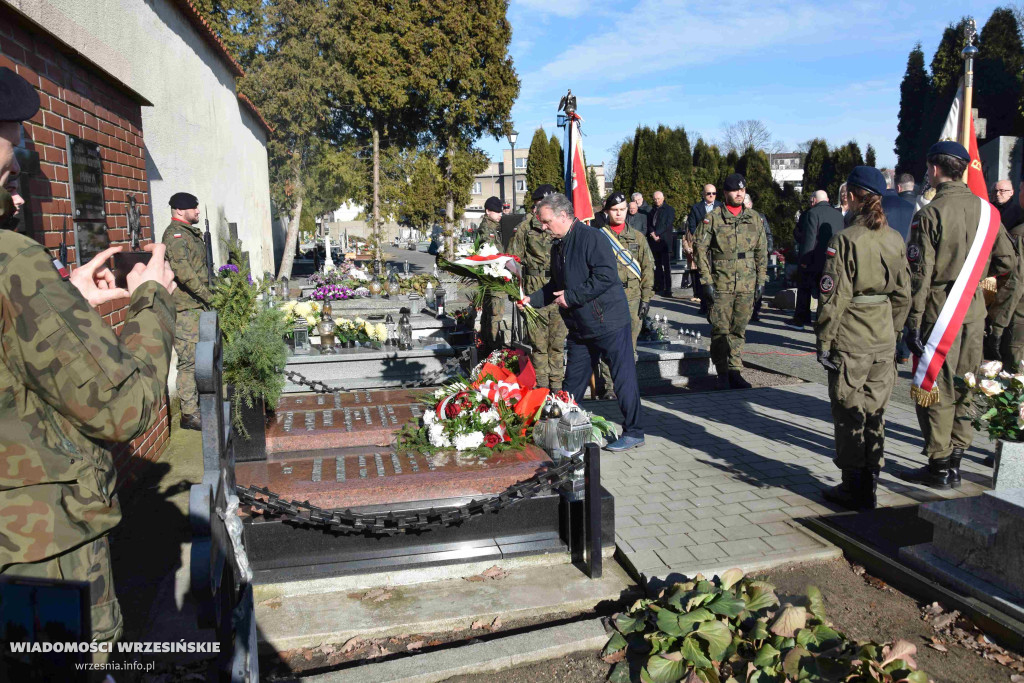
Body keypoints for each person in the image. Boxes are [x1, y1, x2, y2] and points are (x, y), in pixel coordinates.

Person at [0, 65, 179, 655]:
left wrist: (62, 300)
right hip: (38, 553)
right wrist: (152, 299)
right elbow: (122, 408)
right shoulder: (13, 263)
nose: (23, 146)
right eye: (13, 132)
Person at [902, 141, 1019, 489]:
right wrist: (983, 295)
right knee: (968, 386)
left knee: (936, 388)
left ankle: (938, 467)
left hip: (939, 312)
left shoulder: (930, 214)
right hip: (974, 312)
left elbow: (920, 276)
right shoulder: (989, 212)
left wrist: (912, 323)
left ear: (935, 169)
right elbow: (1008, 263)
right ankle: (956, 459)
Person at [815, 167, 911, 510]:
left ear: (852, 197)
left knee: (849, 410)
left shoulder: (845, 239)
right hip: (883, 335)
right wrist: (894, 331)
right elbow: (903, 296)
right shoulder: (895, 238)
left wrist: (824, 339)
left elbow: (833, 296)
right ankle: (870, 482)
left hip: (852, 336)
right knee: (875, 411)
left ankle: (852, 485)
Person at [517, 192, 644, 451]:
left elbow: (606, 276)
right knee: (572, 383)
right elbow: (556, 285)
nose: (543, 227)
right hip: (580, 327)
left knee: (623, 379)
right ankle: (562, 431)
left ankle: (634, 431)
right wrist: (531, 299)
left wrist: (571, 296)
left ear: (563, 216)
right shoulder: (558, 245)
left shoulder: (591, 237)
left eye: (546, 221)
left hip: (608, 322)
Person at [694, 173, 767, 389]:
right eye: (735, 190)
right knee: (720, 331)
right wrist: (706, 281)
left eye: (742, 190)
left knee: (739, 330)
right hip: (722, 284)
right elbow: (700, 248)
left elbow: (761, 251)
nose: (739, 193)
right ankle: (722, 372)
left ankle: (735, 370)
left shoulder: (754, 218)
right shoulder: (714, 218)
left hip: (747, 284)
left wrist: (761, 281)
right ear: (725, 193)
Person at [161, 192, 214, 431]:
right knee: (189, 362)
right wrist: (207, 295)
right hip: (185, 308)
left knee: (200, 359)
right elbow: (184, 272)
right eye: (194, 208)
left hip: (197, 305)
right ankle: (189, 414)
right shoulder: (176, 236)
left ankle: (198, 406)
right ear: (180, 211)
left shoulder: (191, 234)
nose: (198, 211)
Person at [594, 192, 654, 398]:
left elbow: (647, 269)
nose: (619, 214)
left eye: (622, 210)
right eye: (614, 210)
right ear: (607, 211)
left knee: (629, 345)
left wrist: (646, 298)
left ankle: (626, 385)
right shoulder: (598, 236)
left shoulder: (638, 237)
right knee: (608, 345)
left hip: (632, 298)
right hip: (606, 298)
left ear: (627, 210)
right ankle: (610, 387)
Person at [508, 184, 567, 390]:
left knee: (557, 346)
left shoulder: (561, 225)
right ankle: (542, 390)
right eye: (538, 205)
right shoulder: (526, 228)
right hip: (534, 293)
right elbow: (512, 262)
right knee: (539, 347)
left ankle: (558, 390)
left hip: (559, 291)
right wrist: (516, 294)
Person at [788, 190, 842, 329]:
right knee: (826, 292)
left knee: (804, 289)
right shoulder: (838, 215)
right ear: (828, 199)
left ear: (814, 200)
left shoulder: (813, 213)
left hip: (813, 259)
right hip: (832, 260)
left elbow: (810, 239)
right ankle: (823, 322)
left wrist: (804, 260)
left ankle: (801, 319)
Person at [477, 196, 506, 354]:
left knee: (489, 315)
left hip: (491, 279)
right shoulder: (487, 229)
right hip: (493, 278)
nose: (500, 214)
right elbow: (492, 254)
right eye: (496, 211)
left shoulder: (493, 227)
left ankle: (488, 349)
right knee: (495, 314)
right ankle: (493, 351)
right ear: (488, 211)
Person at [686, 185, 721, 313]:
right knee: (704, 276)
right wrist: (700, 240)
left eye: (714, 193)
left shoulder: (721, 206)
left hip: (718, 247)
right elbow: (692, 225)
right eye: (708, 193)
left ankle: (716, 305)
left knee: (717, 275)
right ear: (703, 194)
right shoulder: (696, 208)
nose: (711, 195)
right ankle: (704, 305)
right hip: (702, 247)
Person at [744, 194, 773, 323]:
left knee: (759, 283)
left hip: (758, 257)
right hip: (744, 258)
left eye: (745, 204)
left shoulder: (760, 217)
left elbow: (768, 234)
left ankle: (755, 311)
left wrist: (768, 249)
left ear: (750, 204)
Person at [646, 190, 676, 297]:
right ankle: (660, 286)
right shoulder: (652, 211)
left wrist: (657, 234)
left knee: (666, 266)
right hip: (655, 242)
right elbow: (650, 224)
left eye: (658, 199)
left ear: (663, 198)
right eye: (655, 199)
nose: (657, 201)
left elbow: (667, 224)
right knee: (657, 266)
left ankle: (668, 289)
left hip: (665, 241)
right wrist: (653, 234)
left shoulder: (669, 210)